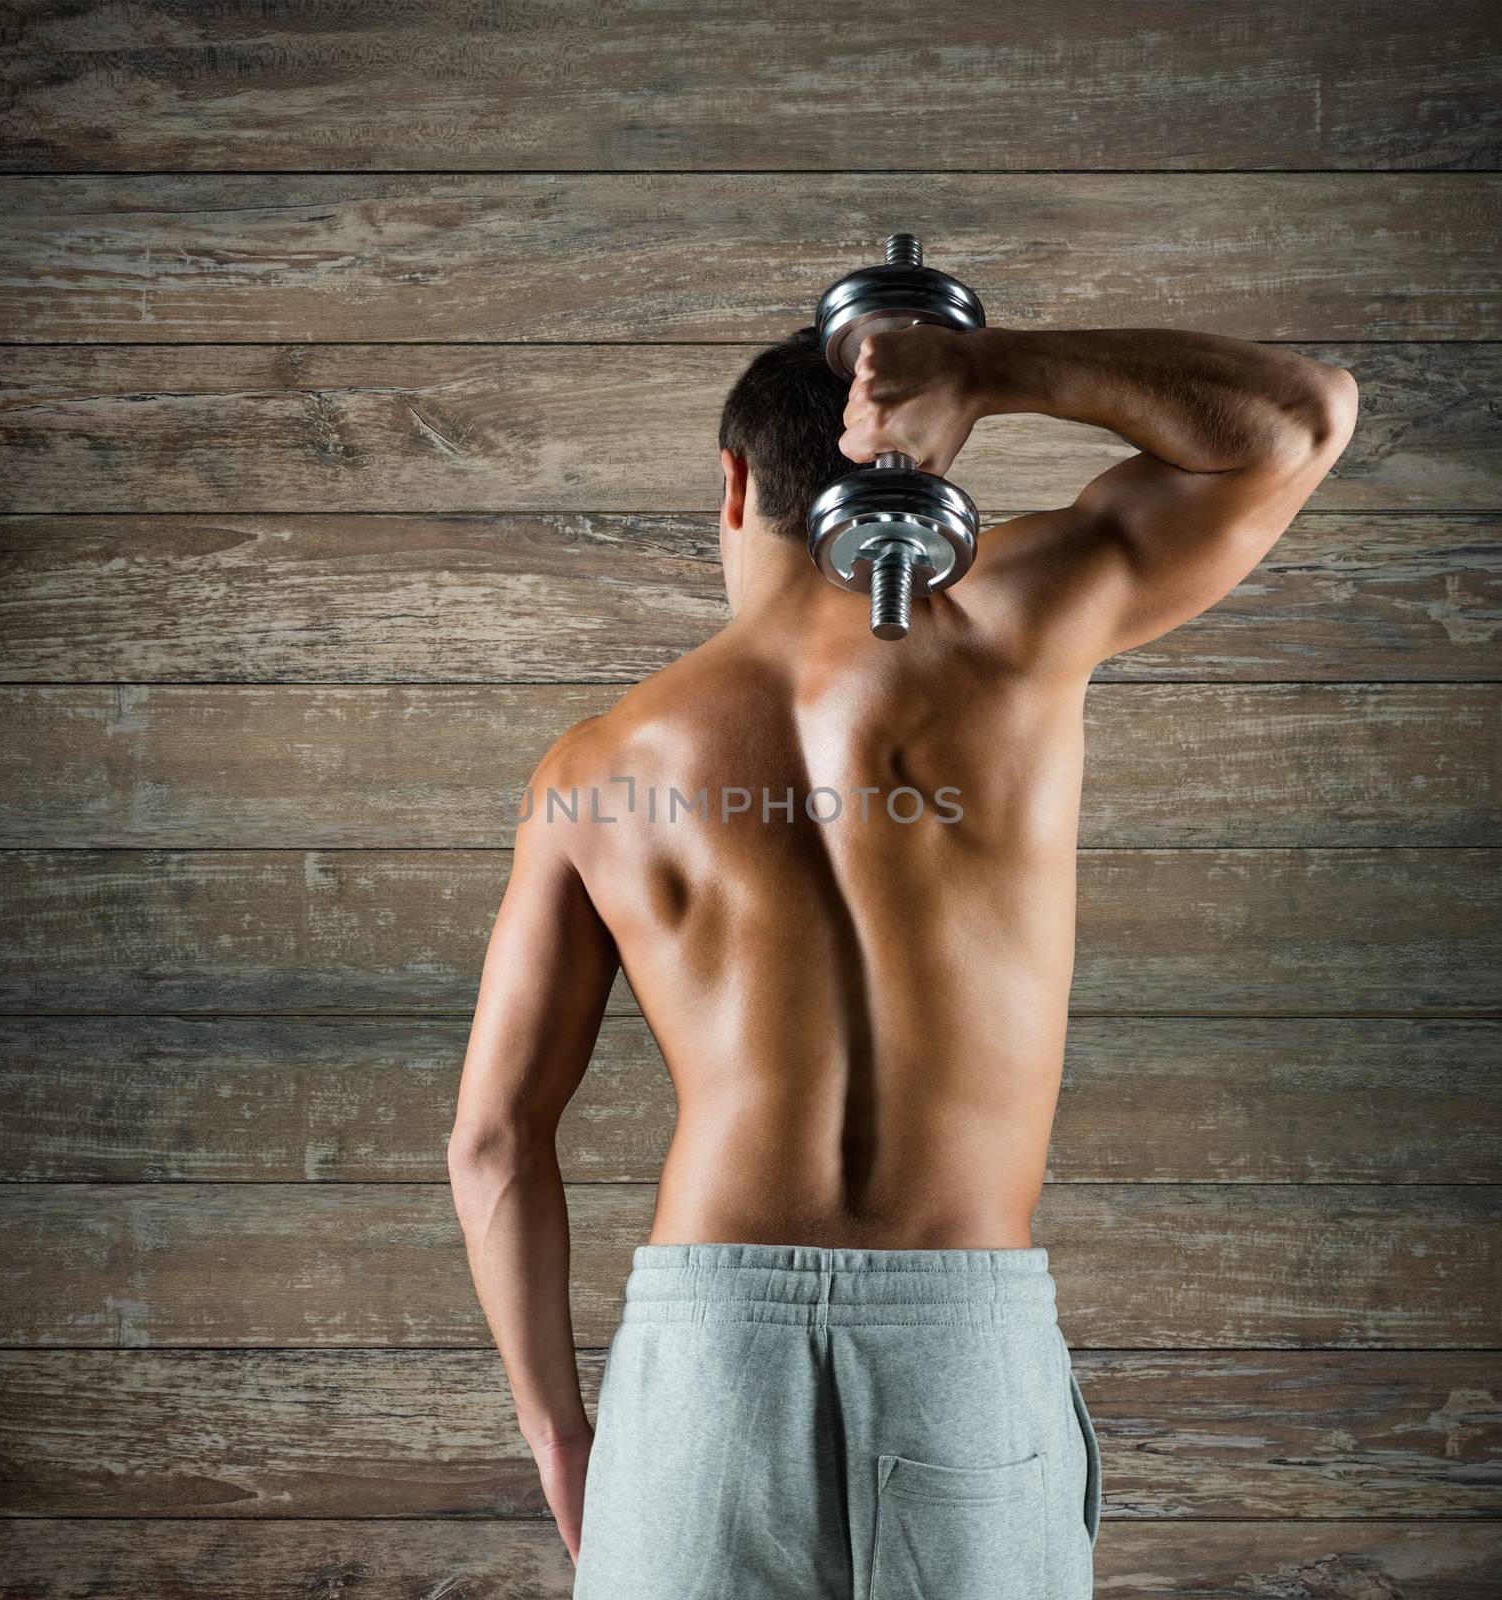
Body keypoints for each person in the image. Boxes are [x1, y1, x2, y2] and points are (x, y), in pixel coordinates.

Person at [449, 319, 1358, 1597]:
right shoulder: (1005, 625)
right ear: (911, 467)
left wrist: (559, 1431)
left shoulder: (591, 773)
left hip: (702, 1354)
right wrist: (994, 371)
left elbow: (492, 1139)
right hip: (957, 1329)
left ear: (731, 483)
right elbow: (1303, 415)